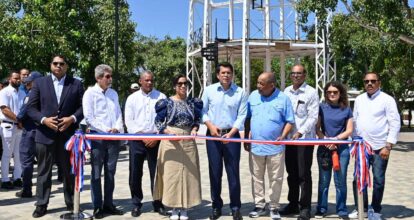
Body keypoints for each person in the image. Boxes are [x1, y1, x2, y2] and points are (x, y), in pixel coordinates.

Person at [27, 55, 84, 218]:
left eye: (62, 64)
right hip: (45, 135)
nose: (58, 66)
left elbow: (82, 107)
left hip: (68, 135)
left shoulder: (76, 83)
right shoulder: (39, 83)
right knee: (43, 172)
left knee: (68, 172)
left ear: (66, 66)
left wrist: (72, 118)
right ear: (50, 65)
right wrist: (44, 120)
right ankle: (41, 204)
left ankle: (72, 202)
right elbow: (31, 108)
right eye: (55, 63)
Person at [349, 72, 400, 219]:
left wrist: (388, 145)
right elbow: (356, 120)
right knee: (358, 178)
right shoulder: (359, 99)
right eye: (366, 81)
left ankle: (376, 210)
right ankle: (362, 208)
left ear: (379, 83)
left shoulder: (387, 100)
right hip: (362, 147)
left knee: (378, 179)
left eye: (373, 81)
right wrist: (354, 140)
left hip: (380, 148)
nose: (369, 84)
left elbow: (395, 122)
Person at [244, 72, 295, 220]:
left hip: (276, 147)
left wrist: (283, 135)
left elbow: (289, 121)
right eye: (258, 82)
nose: (258, 86)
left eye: (261, 83)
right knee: (256, 178)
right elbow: (247, 117)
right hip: (256, 147)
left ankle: (274, 207)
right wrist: (247, 136)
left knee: (276, 178)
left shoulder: (283, 98)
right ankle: (259, 205)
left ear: (271, 85)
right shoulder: (253, 96)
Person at [202, 62, 248, 220]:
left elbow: (242, 115)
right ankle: (216, 206)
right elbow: (202, 111)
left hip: (232, 136)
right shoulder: (209, 90)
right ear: (217, 75)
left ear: (232, 74)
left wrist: (232, 132)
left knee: (233, 173)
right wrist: (210, 126)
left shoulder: (240, 92)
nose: (226, 75)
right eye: (223, 73)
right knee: (215, 173)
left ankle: (235, 207)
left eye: (229, 73)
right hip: (213, 135)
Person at [154, 74, 202, 220]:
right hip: (171, 140)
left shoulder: (193, 103)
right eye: (180, 84)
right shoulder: (166, 103)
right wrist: (168, 132)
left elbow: (197, 120)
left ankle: (185, 207)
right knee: (172, 174)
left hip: (188, 140)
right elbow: (158, 121)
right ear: (174, 86)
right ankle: (174, 207)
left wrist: (194, 129)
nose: (183, 86)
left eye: (185, 84)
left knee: (189, 173)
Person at [83, 64, 124, 219]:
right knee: (96, 172)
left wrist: (117, 128)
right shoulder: (90, 93)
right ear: (98, 78)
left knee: (111, 172)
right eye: (107, 76)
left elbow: (119, 113)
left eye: (110, 76)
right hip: (98, 138)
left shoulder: (113, 93)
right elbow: (89, 118)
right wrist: (106, 129)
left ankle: (109, 204)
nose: (110, 79)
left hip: (114, 138)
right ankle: (97, 206)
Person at [124, 71, 166, 217]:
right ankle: (136, 204)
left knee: (157, 173)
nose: (149, 83)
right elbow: (129, 121)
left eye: (151, 80)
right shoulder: (132, 99)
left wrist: (156, 136)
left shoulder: (161, 97)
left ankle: (158, 202)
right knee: (135, 173)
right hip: (137, 140)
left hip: (156, 140)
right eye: (146, 80)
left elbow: (165, 120)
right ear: (140, 81)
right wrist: (142, 136)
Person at [281, 64, 319, 220]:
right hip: (289, 140)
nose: (296, 76)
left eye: (299, 73)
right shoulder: (286, 92)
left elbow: (313, 117)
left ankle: (305, 208)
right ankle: (292, 203)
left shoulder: (311, 92)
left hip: (304, 139)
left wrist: (300, 132)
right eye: (293, 73)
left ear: (305, 75)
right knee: (291, 174)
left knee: (304, 174)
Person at [314, 81, 353, 219]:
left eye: (335, 92)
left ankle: (342, 209)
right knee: (323, 181)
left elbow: (349, 130)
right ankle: (321, 208)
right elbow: (317, 129)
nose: (332, 94)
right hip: (324, 149)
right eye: (329, 92)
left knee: (340, 181)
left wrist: (336, 139)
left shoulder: (347, 109)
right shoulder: (321, 107)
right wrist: (325, 140)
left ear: (340, 93)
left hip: (341, 150)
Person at [15, 71, 43, 198]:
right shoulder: (49, 94)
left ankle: (27, 189)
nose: (27, 84)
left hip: (30, 131)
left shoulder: (32, 94)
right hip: (43, 132)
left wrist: (18, 120)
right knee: (43, 162)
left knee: (26, 160)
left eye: (30, 82)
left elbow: (23, 112)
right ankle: (41, 191)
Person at [0, 70, 25, 189]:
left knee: (18, 154)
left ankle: (17, 178)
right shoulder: (4, 92)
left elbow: (24, 109)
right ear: (10, 79)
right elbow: (5, 109)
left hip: (19, 127)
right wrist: (18, 121)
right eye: (15, 78)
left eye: (19, 78)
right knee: (7, 154)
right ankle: (5, 179)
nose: (18, 80)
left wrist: (22, 122)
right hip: (8, 125)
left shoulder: (22, 92)